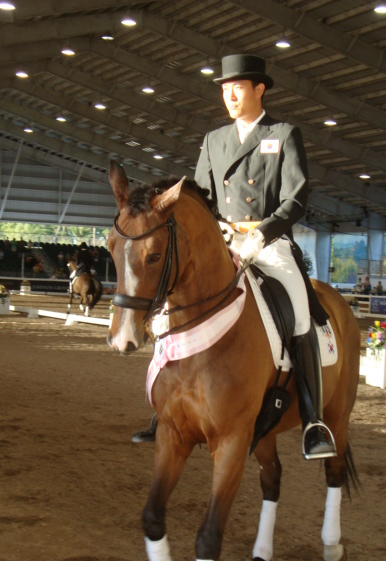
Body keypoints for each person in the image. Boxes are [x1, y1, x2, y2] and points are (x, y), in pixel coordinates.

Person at [133, 54, 336, 460]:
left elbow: (296, 198)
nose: (229, 96)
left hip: (269, 242)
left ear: (259, 89)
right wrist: (218, 233)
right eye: (225, 90)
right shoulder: (214, 140)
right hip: (223, 242)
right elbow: (199, 199)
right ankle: (164, 412)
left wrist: (261, 234)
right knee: (173, 307)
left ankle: (313, 420)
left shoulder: (283, 133)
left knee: (298, 313)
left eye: (237, 88)